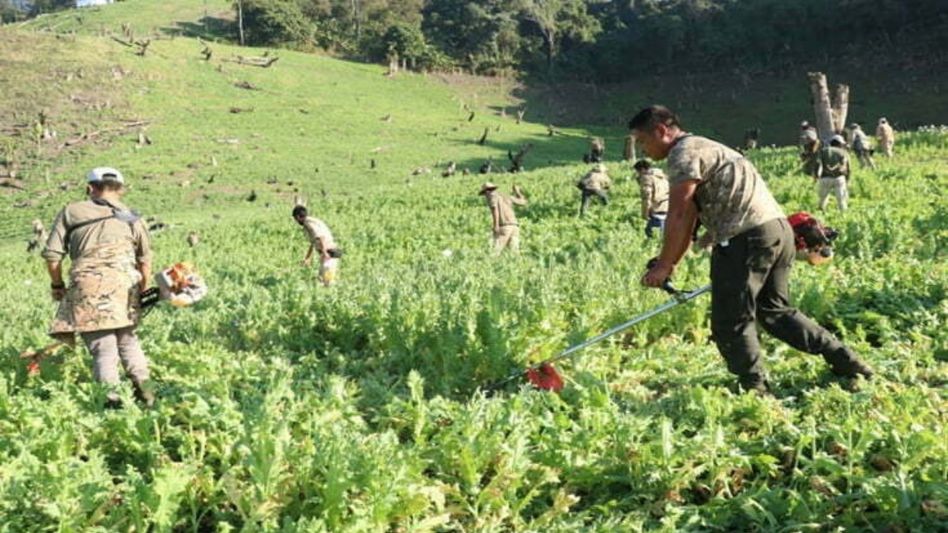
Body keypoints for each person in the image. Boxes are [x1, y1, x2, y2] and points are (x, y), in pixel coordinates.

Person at [632, 105, 872, 393]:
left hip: (745, 238)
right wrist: (668, 262)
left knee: (731, 319)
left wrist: (663, 267)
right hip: (778, 230)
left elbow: (679, 214)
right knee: (775, 311)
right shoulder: (709, 146)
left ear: (661, 131)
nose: (642, 149)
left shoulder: (683, 154)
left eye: (642, 141)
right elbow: (690, 218)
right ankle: (846, 361)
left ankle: (755, 389)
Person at [42, 167, 155, 408]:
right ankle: (149, 397)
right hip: (126, 288)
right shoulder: (133, 216)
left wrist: (57, 284)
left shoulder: (71, 211)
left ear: (89, 188)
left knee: (104, 349)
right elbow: (145, 262)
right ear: (121, 190)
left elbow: (53, 257)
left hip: (88, 289)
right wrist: (141, 292)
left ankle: (112, 406)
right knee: (129, 343)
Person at [292, 205, 341, 286]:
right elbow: (313, 242)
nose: (296, 221)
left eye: (295, 219)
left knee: (327, 281)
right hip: (327, 253)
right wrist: (307, 258)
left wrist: (325, 252)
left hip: (329, 254)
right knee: (322, 279)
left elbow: (320, 237)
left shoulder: (309, 223)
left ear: (297, 217)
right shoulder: (309, 222)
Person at [480, 182, 527, 255]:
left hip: (504, 226)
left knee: (495, 251)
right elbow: (523, 202)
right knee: (514, 253)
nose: (485, 195)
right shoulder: (506, 196)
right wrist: (517, 192)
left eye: (484, 193)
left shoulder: (492, 196)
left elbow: (495, 211)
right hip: (515, 226)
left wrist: (496, 226)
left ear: (487, 191)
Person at [813, 135, 851, 211]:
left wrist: (816, 176)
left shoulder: (823, 151)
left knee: (822, 199)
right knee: (841, 200)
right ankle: (844, 215)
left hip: (825, 178)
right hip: (839, 178)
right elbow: (848, 167)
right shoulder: (843, 152)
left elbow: (817, 163)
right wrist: (848, 179)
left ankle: (821, 213)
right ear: (839, 144)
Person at [634, 159, 669, 238]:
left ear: (642, 170)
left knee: (652, 237)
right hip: (666, 209)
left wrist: (645, 214)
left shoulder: (647, 178)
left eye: (638, 172)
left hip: (656, 211)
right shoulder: (662, 176)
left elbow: (646, 197)